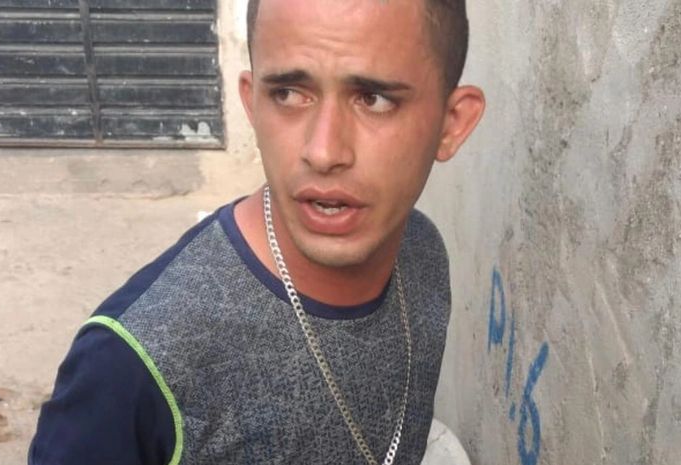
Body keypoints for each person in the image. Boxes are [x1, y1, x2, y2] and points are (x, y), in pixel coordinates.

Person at [28, 0, 485, 463]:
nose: (324, 151)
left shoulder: (421, 254)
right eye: (288, 93)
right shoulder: (131, 361)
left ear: (451, 124)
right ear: (252, 104)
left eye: (374, 99)